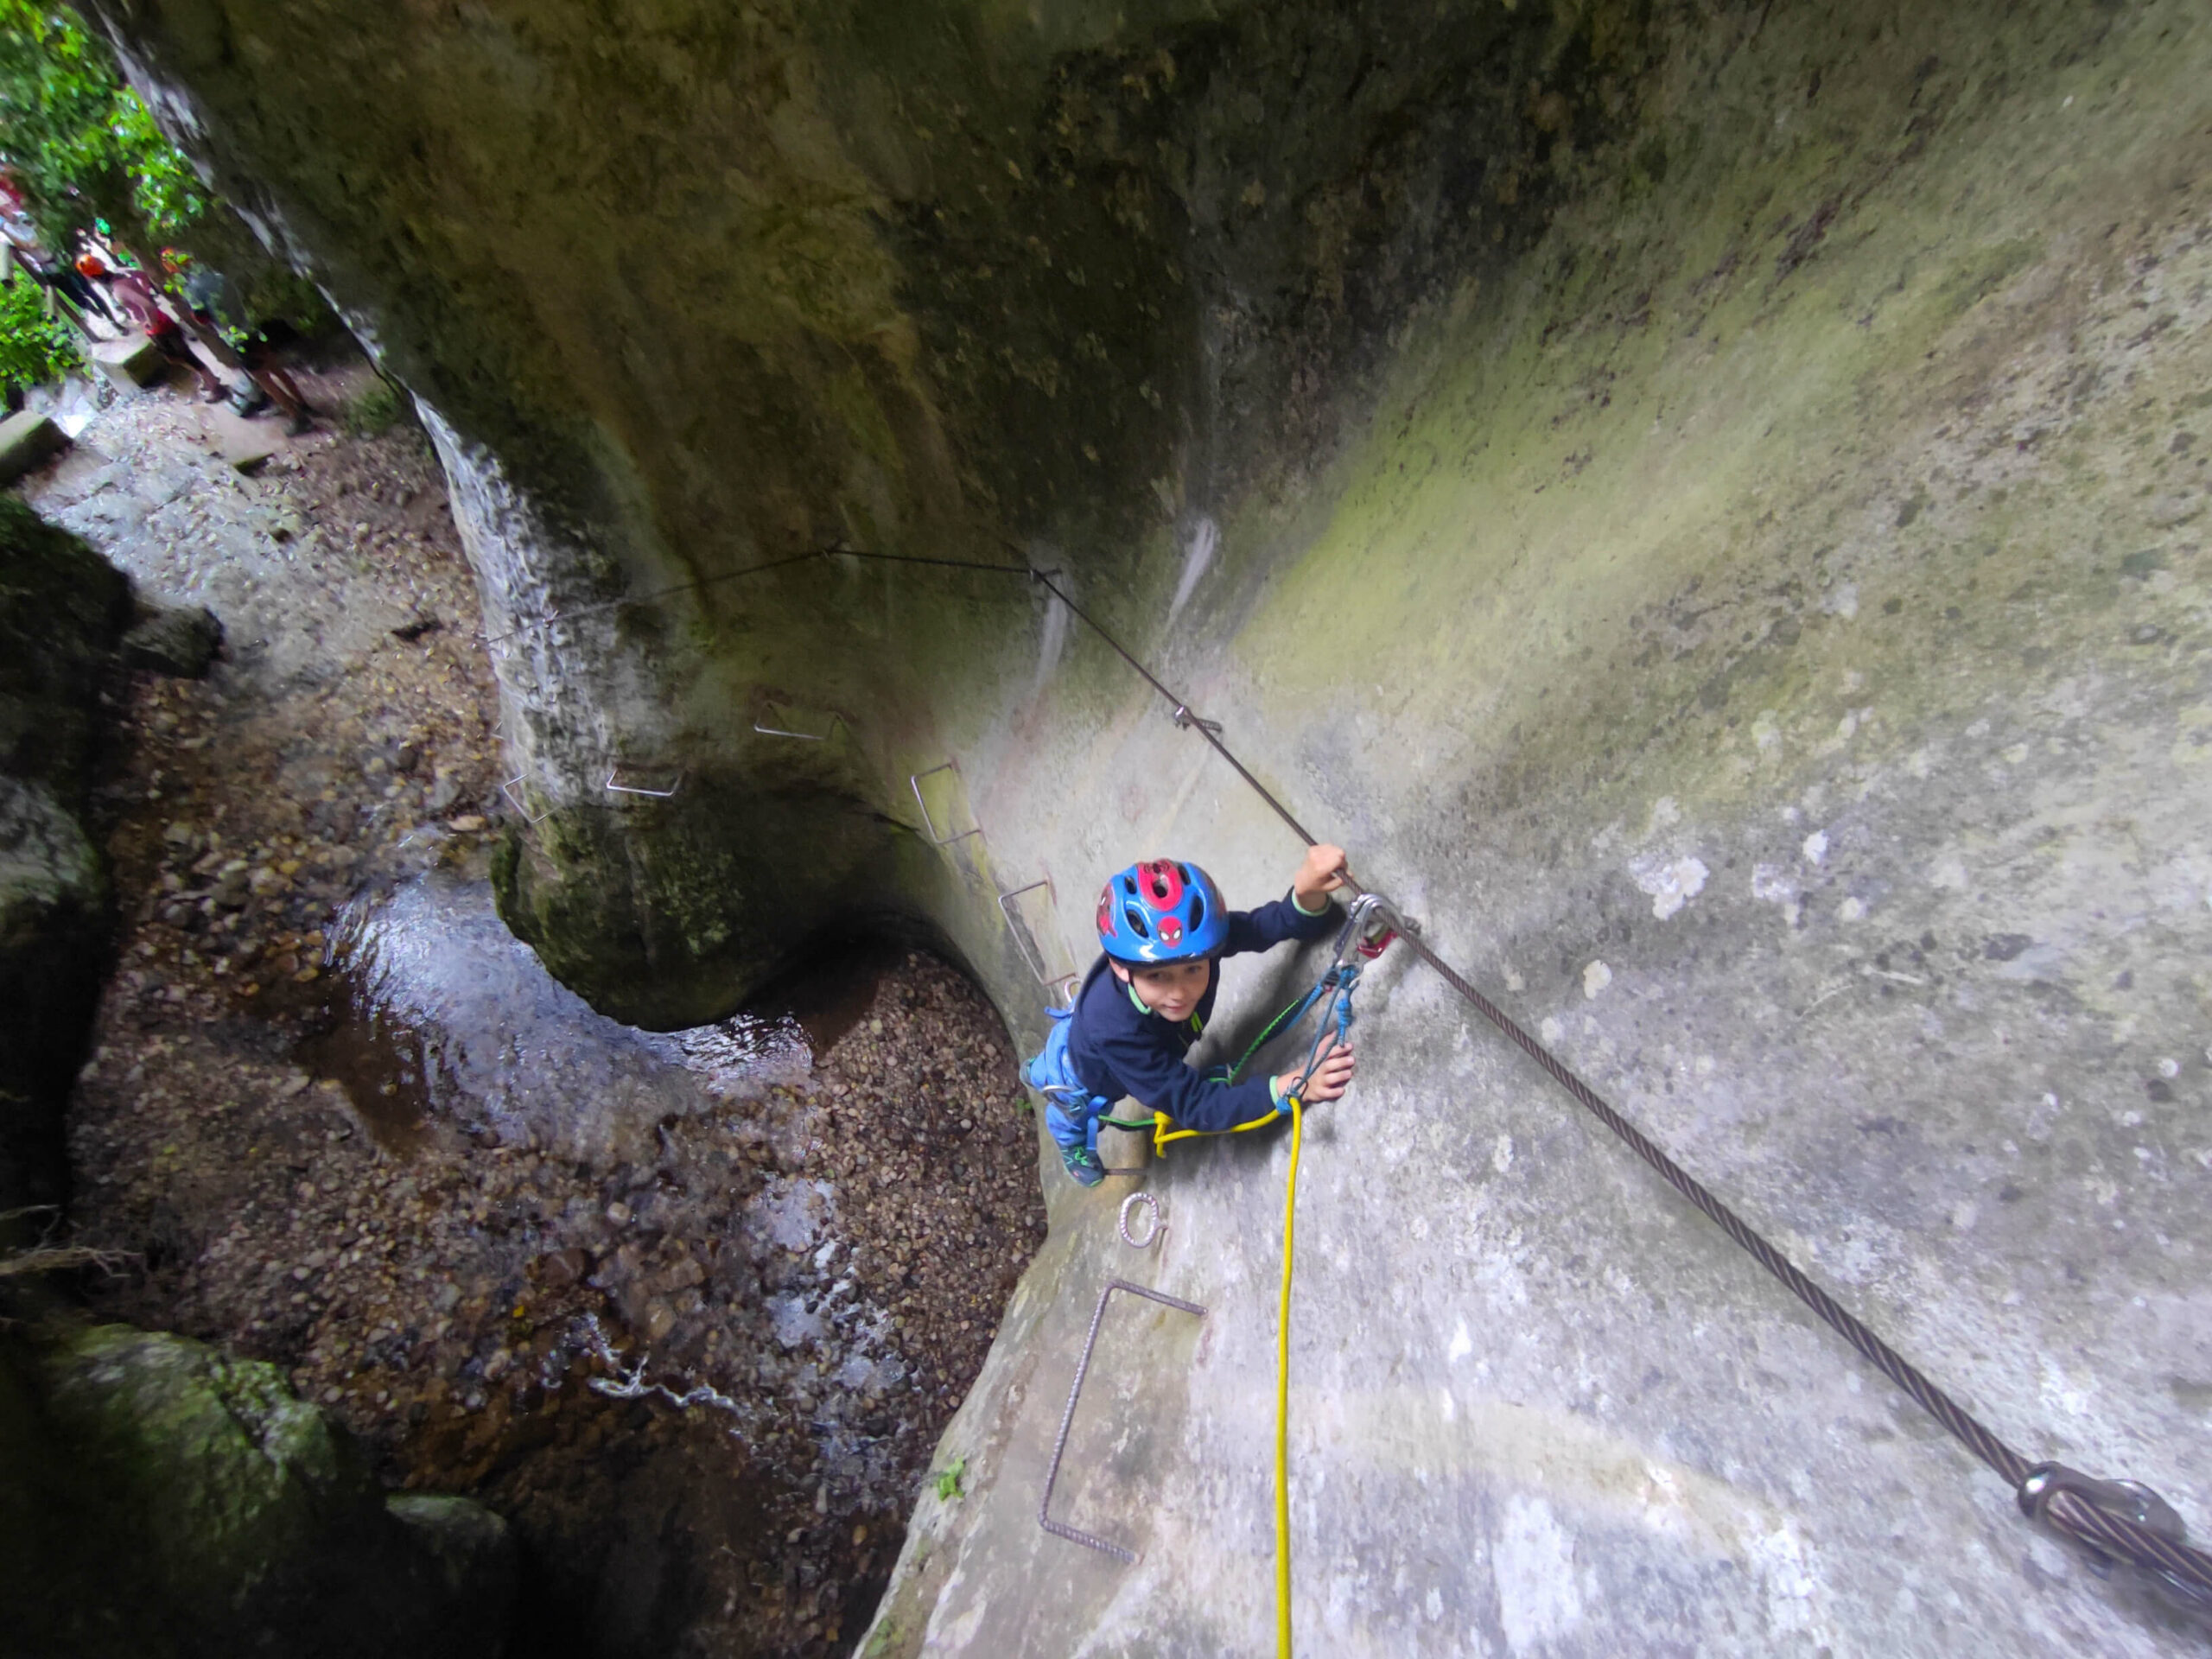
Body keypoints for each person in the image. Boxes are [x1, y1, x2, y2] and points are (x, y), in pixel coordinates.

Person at [1025, 846, 1358, 1186]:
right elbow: (1195, 1105)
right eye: (1158, 976)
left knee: (1074, 1043)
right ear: (1121, 969)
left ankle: (1039, 1067)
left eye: (1193, 970)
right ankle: (1068, 1139)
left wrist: (1306, 894)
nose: (1179, 992)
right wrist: (1295, 1086)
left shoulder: (1193, 944)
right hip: (1085, 1073)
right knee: (1074, 1108)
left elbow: (1260, 928)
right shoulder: (1115, 1031)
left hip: (1107, 1033)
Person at [97, 263, 231, 402]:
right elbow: (143, 276)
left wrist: (152, 324)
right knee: (176, 357)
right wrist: (146, 292)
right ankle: (208, 378)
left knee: (184, 357)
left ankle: (214, 386)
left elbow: (147, 306)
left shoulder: (119, 289)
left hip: (158, 325)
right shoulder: (122, 276)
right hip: (159, 320)